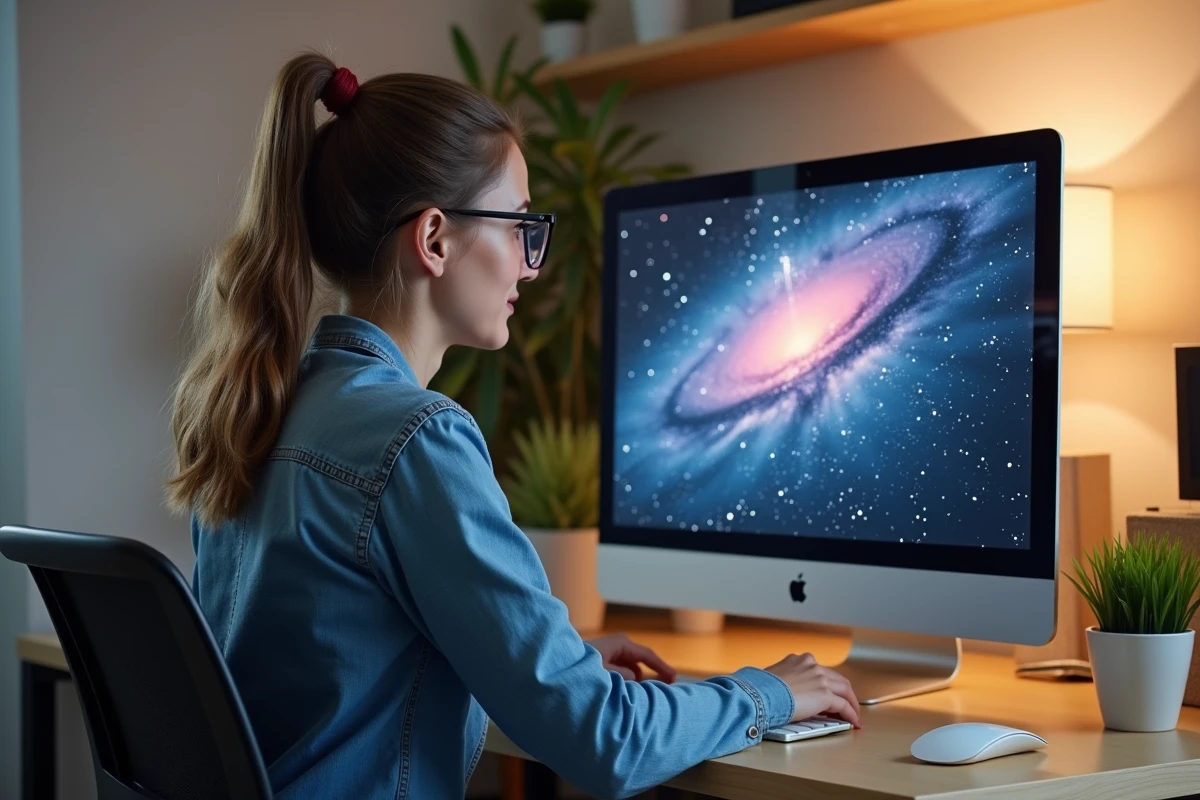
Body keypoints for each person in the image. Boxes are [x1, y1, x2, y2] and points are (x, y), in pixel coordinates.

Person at [167, 53, 861, 800]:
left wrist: (546, 659)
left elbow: (335, 666)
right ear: (434, 240)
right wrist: (768, 693)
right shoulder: (417, 440)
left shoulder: (265, 406)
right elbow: (606, 743)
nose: (533, 266)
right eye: (522, 225)